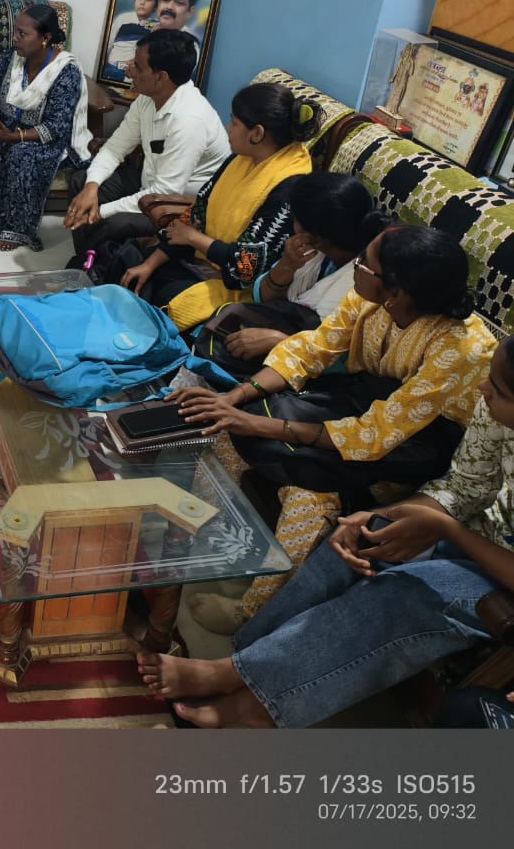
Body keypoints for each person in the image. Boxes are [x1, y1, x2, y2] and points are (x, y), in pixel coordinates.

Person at [137, 336, 514, 729]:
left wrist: (449, 530)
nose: (483, 389)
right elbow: (464, 487)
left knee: (410, 591)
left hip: (500, 576)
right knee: (360, 538)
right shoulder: (492, 410)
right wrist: (379, 516)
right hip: (470, 533)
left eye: (499, 389)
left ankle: (251, 701)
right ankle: (247, 664)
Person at [169, 225, 496, 630]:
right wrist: (234, 400)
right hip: (360, 407)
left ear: (396, 292)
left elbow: (375, 436)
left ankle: (252, 613)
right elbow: (311, 349)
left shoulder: (463, 349)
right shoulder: (370, 299)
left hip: (414, 454)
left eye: (364, 264)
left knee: (310, 498)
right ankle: (202, 536)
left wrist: (258, 423)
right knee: (226, 432)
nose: (354, 267)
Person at [119, 82, 315, 330]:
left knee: (162, 296)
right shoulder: (240, 158)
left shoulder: (289, 188)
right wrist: (150, 263)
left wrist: (193, 238)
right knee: (133, 267)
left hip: (238, 286)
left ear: (257, 134)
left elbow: (245, 269)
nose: (227, 128)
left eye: (234, 122)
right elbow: (196, 214)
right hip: (203, 260)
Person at [198, 172, 390, 376]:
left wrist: (278, 340)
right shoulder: (315, 251)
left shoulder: (364, 281)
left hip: (318, 371)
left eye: (294, 219)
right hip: (291, 334)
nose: (291, 225)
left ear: (316, 236)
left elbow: (347, 359)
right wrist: (286, 266)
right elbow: (261, 296)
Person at [62, 30, 228, 264]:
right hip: (149, 183)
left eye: (138, 67)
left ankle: (94, 269)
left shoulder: (190, 120)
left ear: (160, 77)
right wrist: (91, 187)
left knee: (113, 222)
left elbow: (166, 192)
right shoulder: (147, 98)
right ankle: (88, 262)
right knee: (81, 181)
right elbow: (115, 148)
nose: (129, 70)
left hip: (178, 205)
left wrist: (101, 211)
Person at [0, 4, 90, 251]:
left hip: (42, 138)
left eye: (22, 34)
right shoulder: (12, 57)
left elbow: (56, 126)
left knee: (21, 155)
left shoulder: (65, 71)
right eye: (15, 32)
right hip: (5, 127)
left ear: (45, 37)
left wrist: (14, 137)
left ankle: (18, 229)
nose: (15, 38)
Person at [101, 0, 162, 81]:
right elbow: (108, 44)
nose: (142, 2)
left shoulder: (155, 26)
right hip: (111, 67)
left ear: (156, 5)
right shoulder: (123, 19)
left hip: (132, 74)